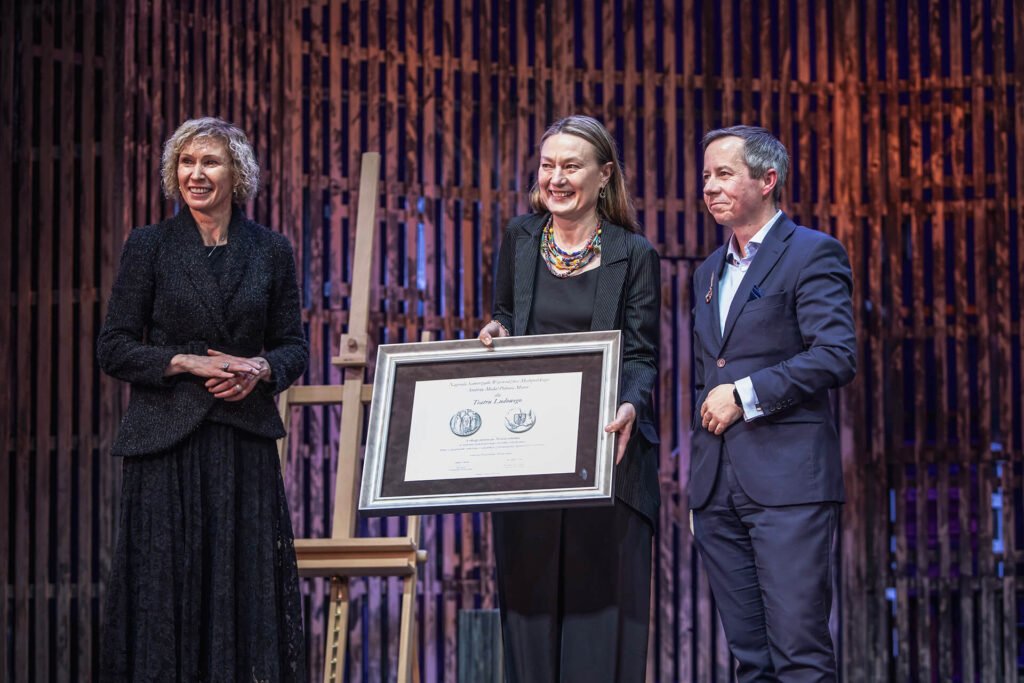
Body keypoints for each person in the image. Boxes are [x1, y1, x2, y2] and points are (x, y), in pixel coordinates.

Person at [97, 117, 308, 682]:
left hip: (240, 443)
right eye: (186, 162)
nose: (196, 173)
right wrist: (187, 360)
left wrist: (262, 369)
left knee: (241, 592)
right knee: (166, 591)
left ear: (237, 174)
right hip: (164, 444)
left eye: (210, 162)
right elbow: (113, 347)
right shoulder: (149, 246)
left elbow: (294, 347)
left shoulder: (270, 251)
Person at [478, 115, 661, 683]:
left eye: (571, 166)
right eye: (547, 165)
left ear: (604, 175)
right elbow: (507, 317)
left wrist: (631, 405)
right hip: (529, 464)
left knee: (596, 640)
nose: (555, 178)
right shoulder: (521, 238)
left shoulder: (634, 254)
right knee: (529, 635)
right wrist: (496, 334)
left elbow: (641, 355)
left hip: (608, 464)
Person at [689, 125, 857, 682]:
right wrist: (699, 488)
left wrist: (745, 394)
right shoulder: (707, 273)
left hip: (788, 487)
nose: (709, 187)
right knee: (751, 661)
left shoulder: (812, 252)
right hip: (718, 490)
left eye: (724, 174)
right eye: (706, 176)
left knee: (799, 656)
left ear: (768, 179)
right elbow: (705, 374)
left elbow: (836, 355)